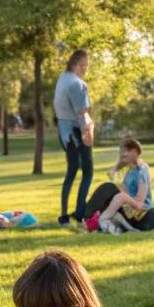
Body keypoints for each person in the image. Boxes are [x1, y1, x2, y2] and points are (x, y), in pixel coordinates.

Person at [53, 48, 94, 226]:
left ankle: (64, 214)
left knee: (71, 171)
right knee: (88, 171)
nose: (86, 69)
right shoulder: (77, 84)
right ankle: (79, 212)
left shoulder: (62, 79)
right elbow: (83, 113)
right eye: (85, 65)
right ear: (78, 64)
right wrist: (88, 133)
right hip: (77, 132)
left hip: (64, 132)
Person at [84, 138, 154, 233]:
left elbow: (139, 205)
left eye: (126, 151)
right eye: (121, 151)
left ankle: (90, 219)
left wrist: (123, 197)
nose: (122, 154)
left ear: (135, 152)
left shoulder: (142, 171)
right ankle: (89, 219)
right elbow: (112, 177)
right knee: (108, 191)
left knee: (110, 188)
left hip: (143, 219)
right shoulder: (130, 171)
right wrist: (118, 166)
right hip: (130, 213)